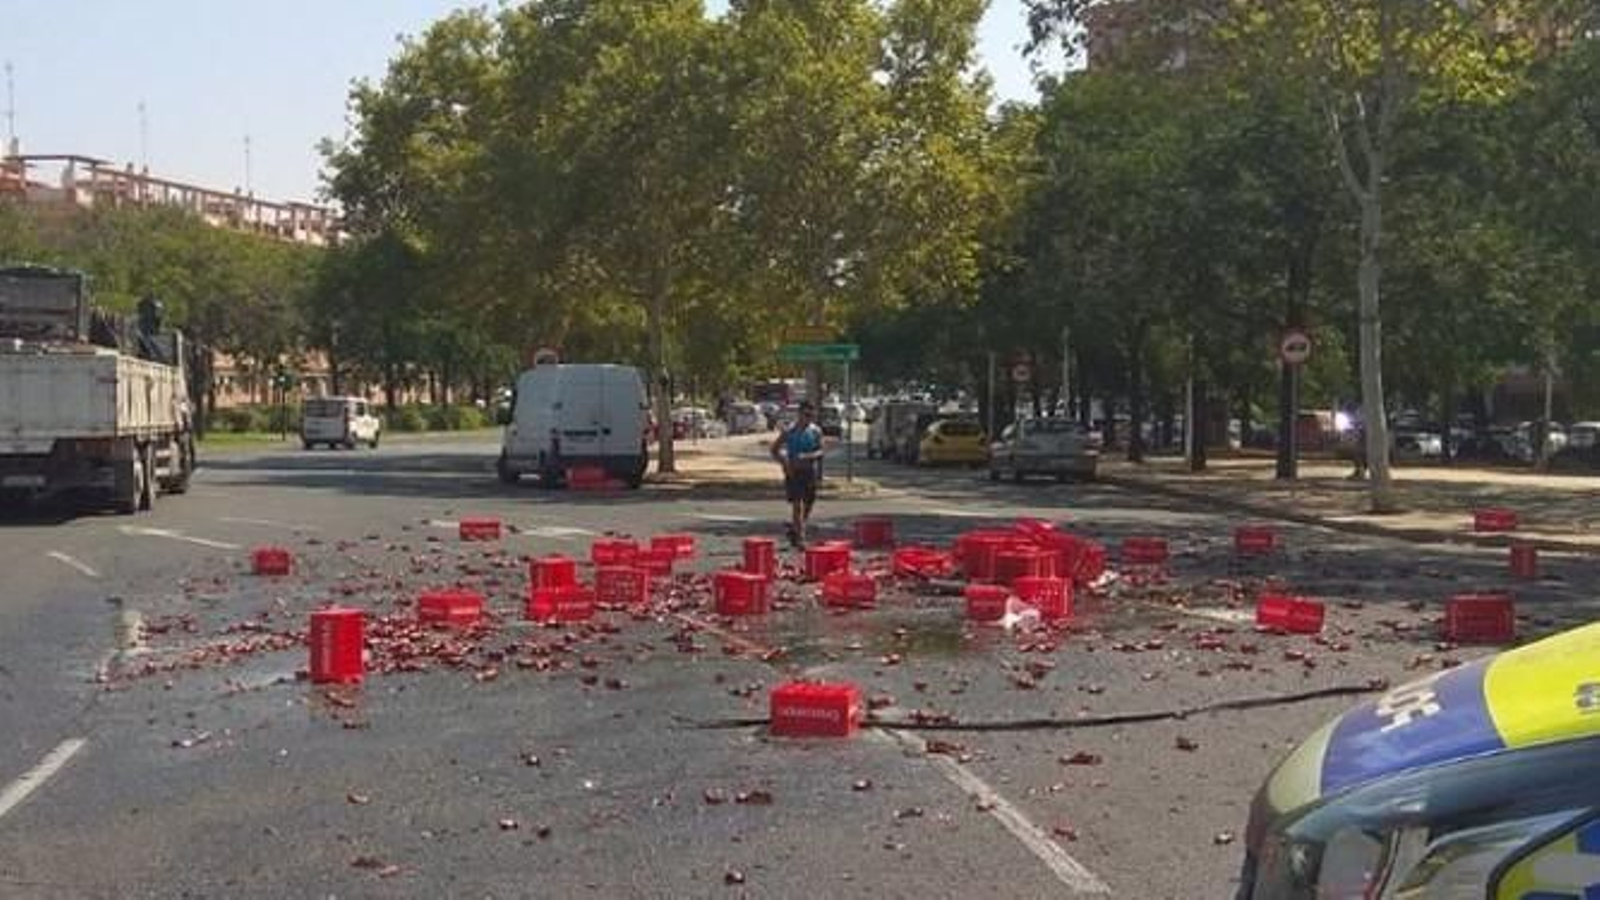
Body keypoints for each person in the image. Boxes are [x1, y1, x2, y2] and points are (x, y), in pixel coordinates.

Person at [771, 400, 824, 548]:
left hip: (809, 471)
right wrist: (784, 463)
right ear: (799, 414)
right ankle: (801, 538)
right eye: (806, 415)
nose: (808, 418)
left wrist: (810, 456)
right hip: (794, 472)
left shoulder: (816, 431)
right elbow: (774, 449)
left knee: (809, 503)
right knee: (797, 504)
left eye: (811, 416)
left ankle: (796, 528)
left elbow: (820, 451)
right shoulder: (790, 430)